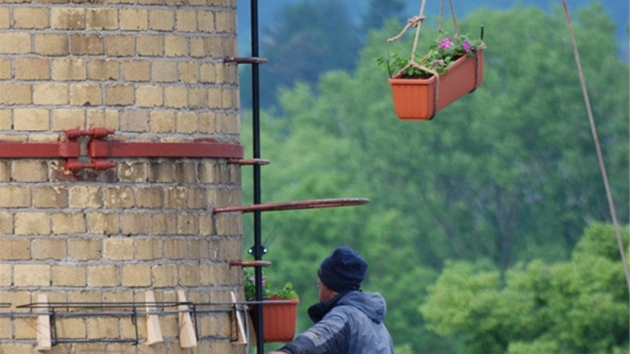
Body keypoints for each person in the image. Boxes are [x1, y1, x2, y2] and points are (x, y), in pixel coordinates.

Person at [266, 246, 395, 354]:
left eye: (321, 279)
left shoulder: (344, 315)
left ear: (329, 285)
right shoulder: (379, 327)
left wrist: (287, 352)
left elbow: (318, 338)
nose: (318, 284)